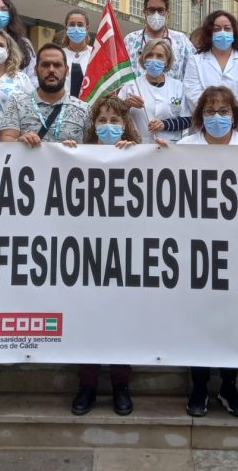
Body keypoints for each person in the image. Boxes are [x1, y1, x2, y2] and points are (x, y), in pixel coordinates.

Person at [180, 86, 238, 416]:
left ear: (236, 116)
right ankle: (199, 388)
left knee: (233, 323)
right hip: (195, 251)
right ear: (200, 116)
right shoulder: (184, 148)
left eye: (223, 111)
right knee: (200, 322)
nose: (216, 117)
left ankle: (229, 386)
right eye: (210, 111)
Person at [70, 94, 142, 417]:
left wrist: (154, 154)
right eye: (102, 120)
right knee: (87, 320)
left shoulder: (137, 155)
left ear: (125, 124)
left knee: (122, 322)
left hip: (125, 255)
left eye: (115, 121)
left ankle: (120, 386)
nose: (109, 126)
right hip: (87, 254)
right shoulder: (77, 155)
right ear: (93, 125)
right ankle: (86, 386)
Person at [183, 10, 238, 136]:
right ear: (209, 33)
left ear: (234, 32)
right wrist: (212, 121)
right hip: (204, 130)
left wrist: (233, 123)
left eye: (227, 28)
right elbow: (193, 94)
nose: (222, 32)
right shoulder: (196, 61)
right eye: (217, 29)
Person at [0, 43, 88, 145]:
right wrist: (19, 142)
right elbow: (5, 142)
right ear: (35, 70)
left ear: (67, 71)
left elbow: (94, 150)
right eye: (45, 65)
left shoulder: (83, 109)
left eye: (57, 65)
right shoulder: (17, 103)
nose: (51, 70)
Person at [118, 38, 191, 143]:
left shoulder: (178, 87)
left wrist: (165, 124)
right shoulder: (131, 86)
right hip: (138, 146)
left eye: (159, 56)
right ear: (143, 58)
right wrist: (126, 105)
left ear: (167, 61)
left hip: (169, 147)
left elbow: (188, 120)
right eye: (149, 55)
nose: (154, 59)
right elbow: (115, 115)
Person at [124, 0, 196, 81]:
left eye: (160, 10)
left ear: (167, 13)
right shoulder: (130, 41)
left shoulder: (182, 42)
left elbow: (194, 76)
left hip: (173, 95)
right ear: (145, 12)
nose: (156, 14)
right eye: (152, 10)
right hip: (135, 94)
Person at [60, 9, 93, 98]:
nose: (76, 28)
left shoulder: (95, 54)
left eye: (80, 25)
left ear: (87, 28)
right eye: (72, 24)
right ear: (66, 28)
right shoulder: (59, 55)